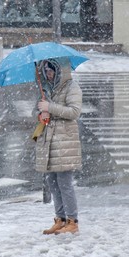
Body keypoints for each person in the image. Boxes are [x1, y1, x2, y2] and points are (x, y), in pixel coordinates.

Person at [32, 58, 82, 235]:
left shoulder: (71, 87)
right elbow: (36, 109)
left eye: (52, 70)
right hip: (49, 140)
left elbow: (74, 112)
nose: (49, 74)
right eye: (46, 71)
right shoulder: (45, 88)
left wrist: (50, 107)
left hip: (64, 141)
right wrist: (40, 112)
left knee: (65, 183)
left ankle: (72, 221)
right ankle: (60, 219)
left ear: (60, 71)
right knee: (52, 182)